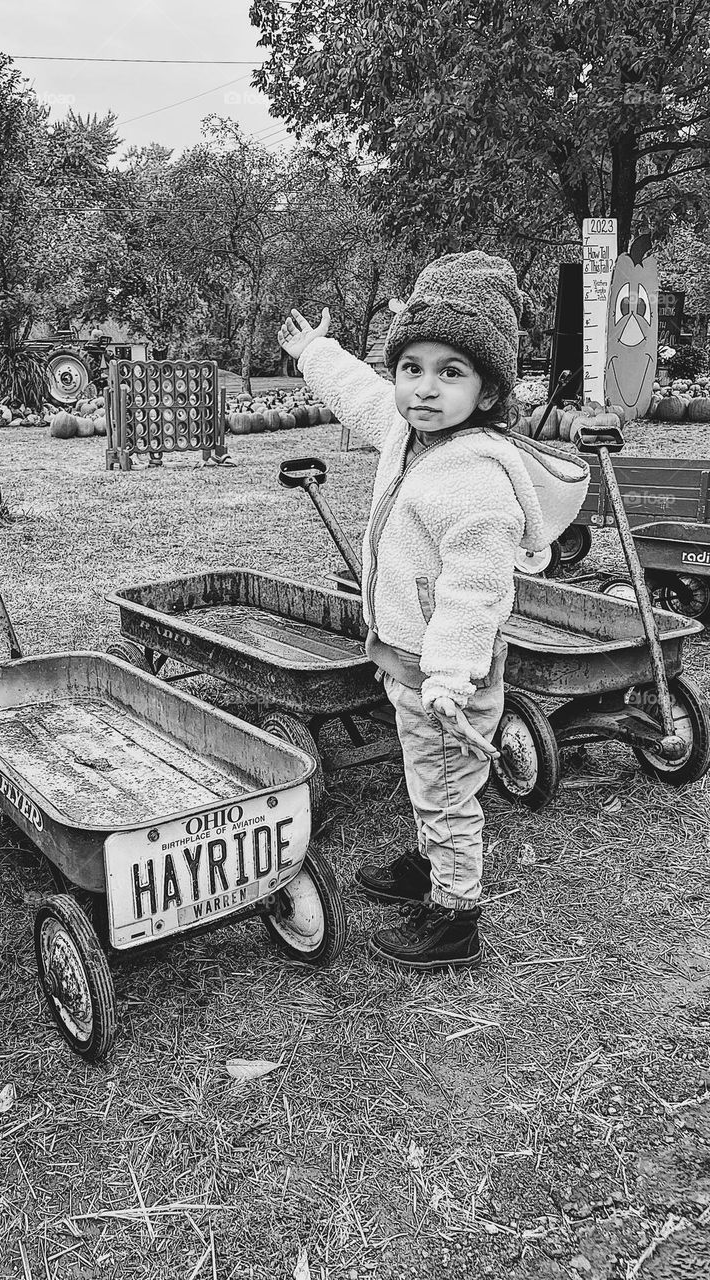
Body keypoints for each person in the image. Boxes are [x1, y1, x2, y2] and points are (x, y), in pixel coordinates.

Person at [277, 252, 587, 972]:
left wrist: (448, 678)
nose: (423, 387)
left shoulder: (476, 476)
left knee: (448, 790)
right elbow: (359, 393)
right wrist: (314, 352)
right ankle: (427, 861)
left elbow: (475, 593)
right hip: (408, 663)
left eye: (452, 372)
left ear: (487, 392)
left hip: (448, 677)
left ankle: (454, 913)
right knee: (431, 778)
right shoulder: (407, 431)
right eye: (412, 367)